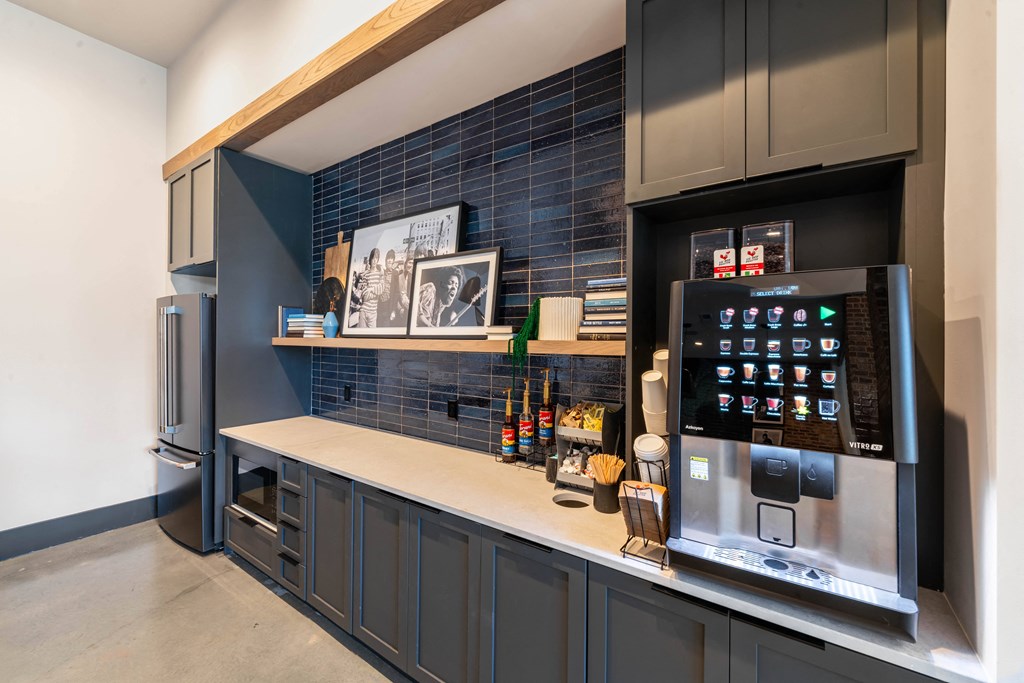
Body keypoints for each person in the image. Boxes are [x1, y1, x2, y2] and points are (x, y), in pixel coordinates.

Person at [357, 248, 385, 328]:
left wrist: (370, 289)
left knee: (372, 338)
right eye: (373, 258)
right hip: (364, 310)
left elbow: (381, 289)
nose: (374, 261)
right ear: (370, 259)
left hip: (373, 311)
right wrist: (375, 293)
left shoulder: (380, 274)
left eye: (376, 258)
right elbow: (364, 295)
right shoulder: (366, 274)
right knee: (361, 337)